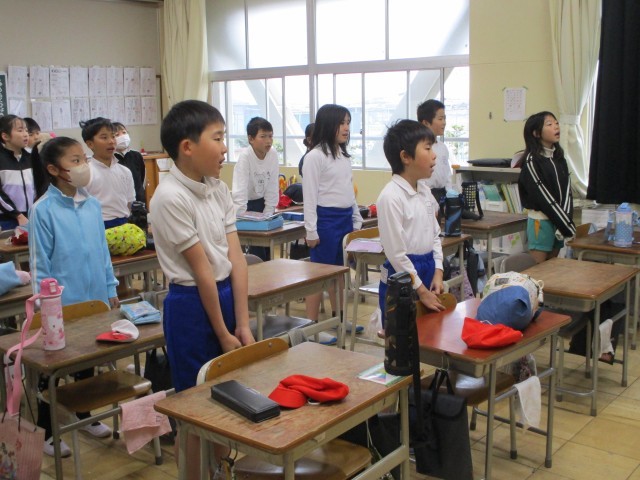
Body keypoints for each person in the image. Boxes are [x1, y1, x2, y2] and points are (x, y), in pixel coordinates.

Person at [150, 100, 255, 479]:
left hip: (223, 295)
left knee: (228, 400)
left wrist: (242, 324)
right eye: (218, 138)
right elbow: (201, 271)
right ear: (187, 147)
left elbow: (236, 259)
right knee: (196, 409)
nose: (225, 148)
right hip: (191, 306)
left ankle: (221, 471)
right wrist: (223, 333)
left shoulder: (217, 189)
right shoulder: (169, 197)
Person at [28, 136, 119, 457]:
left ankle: (83, 415)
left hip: (95, 300)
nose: (83, 166)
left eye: (84, 158)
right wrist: (45, 308)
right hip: (61, 305)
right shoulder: (43, 209)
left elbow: (103, 252)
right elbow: (40, 264)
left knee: (88, 358)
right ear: (54, 169)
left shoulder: (92, 205)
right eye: (75, 160)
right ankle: (47, 431)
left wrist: (110, 288)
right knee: (52, 371)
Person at [377, 119, 445, 327]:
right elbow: (396, 255)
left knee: (430, 335)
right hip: (402, 279)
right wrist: (421, 291)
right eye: (427, 148)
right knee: (401, 340)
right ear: (406, 157)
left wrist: (438, 270)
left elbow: (435, 234)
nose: (434, 155)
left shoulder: (424, 191)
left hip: (428, 270)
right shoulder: (390, 197)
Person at [302, 104, 363, 336]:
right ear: (328, 125)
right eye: (341, 123)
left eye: (348, 123)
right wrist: (311, 230)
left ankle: (339, 320)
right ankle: (311, 326)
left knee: (340, 273)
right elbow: (309, 196)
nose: (346, 128)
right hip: (325, 221)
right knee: (319, 275)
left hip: (344, 219)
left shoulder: (343, 156)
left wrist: (356, 218)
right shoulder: (315, 157)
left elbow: (349, 191)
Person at [518, 111, 575, 264]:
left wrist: (565, 221)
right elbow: (543, 197)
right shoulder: (532, 161)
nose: (556, 127)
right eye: (549, 124)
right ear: (536, 133)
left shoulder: (559, 158)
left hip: (558, 221)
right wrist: (566, 224)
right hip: (541, 221)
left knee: (552, 269)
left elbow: (567, 193)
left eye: (556, 123)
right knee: (539, 270)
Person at [81, 117, 135, 228]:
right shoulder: (85, 173)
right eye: (104, 137)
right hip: (97, 226)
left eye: (113, 136)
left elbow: (130, 202)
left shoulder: (125, 171)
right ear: (90, 144)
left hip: (124, 225)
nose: (111, 141)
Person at [417, 99, 453, 206]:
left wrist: (450, 196)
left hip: (443, 195)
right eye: (440, 119)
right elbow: (419, 180)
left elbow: (447, 175)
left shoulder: (443, 147)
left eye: (445, 118)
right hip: (426, 195)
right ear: (426, 123)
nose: (444, 122)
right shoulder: (419, 148)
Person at [0, 115, 33, 230]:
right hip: (7, 218)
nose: (26, 134)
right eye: (20, 130)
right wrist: (17, 215)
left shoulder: (31, 158)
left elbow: (38, 188)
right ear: (5, 136)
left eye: (26, 131)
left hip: (31, 215)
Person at [113, 121, 147, 203]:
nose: (122, 136)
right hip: (120, 202)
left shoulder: (136, 155)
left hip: (138, 200)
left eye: (124, 132)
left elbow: (142, 178)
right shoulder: (110, 158)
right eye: (117, 135)